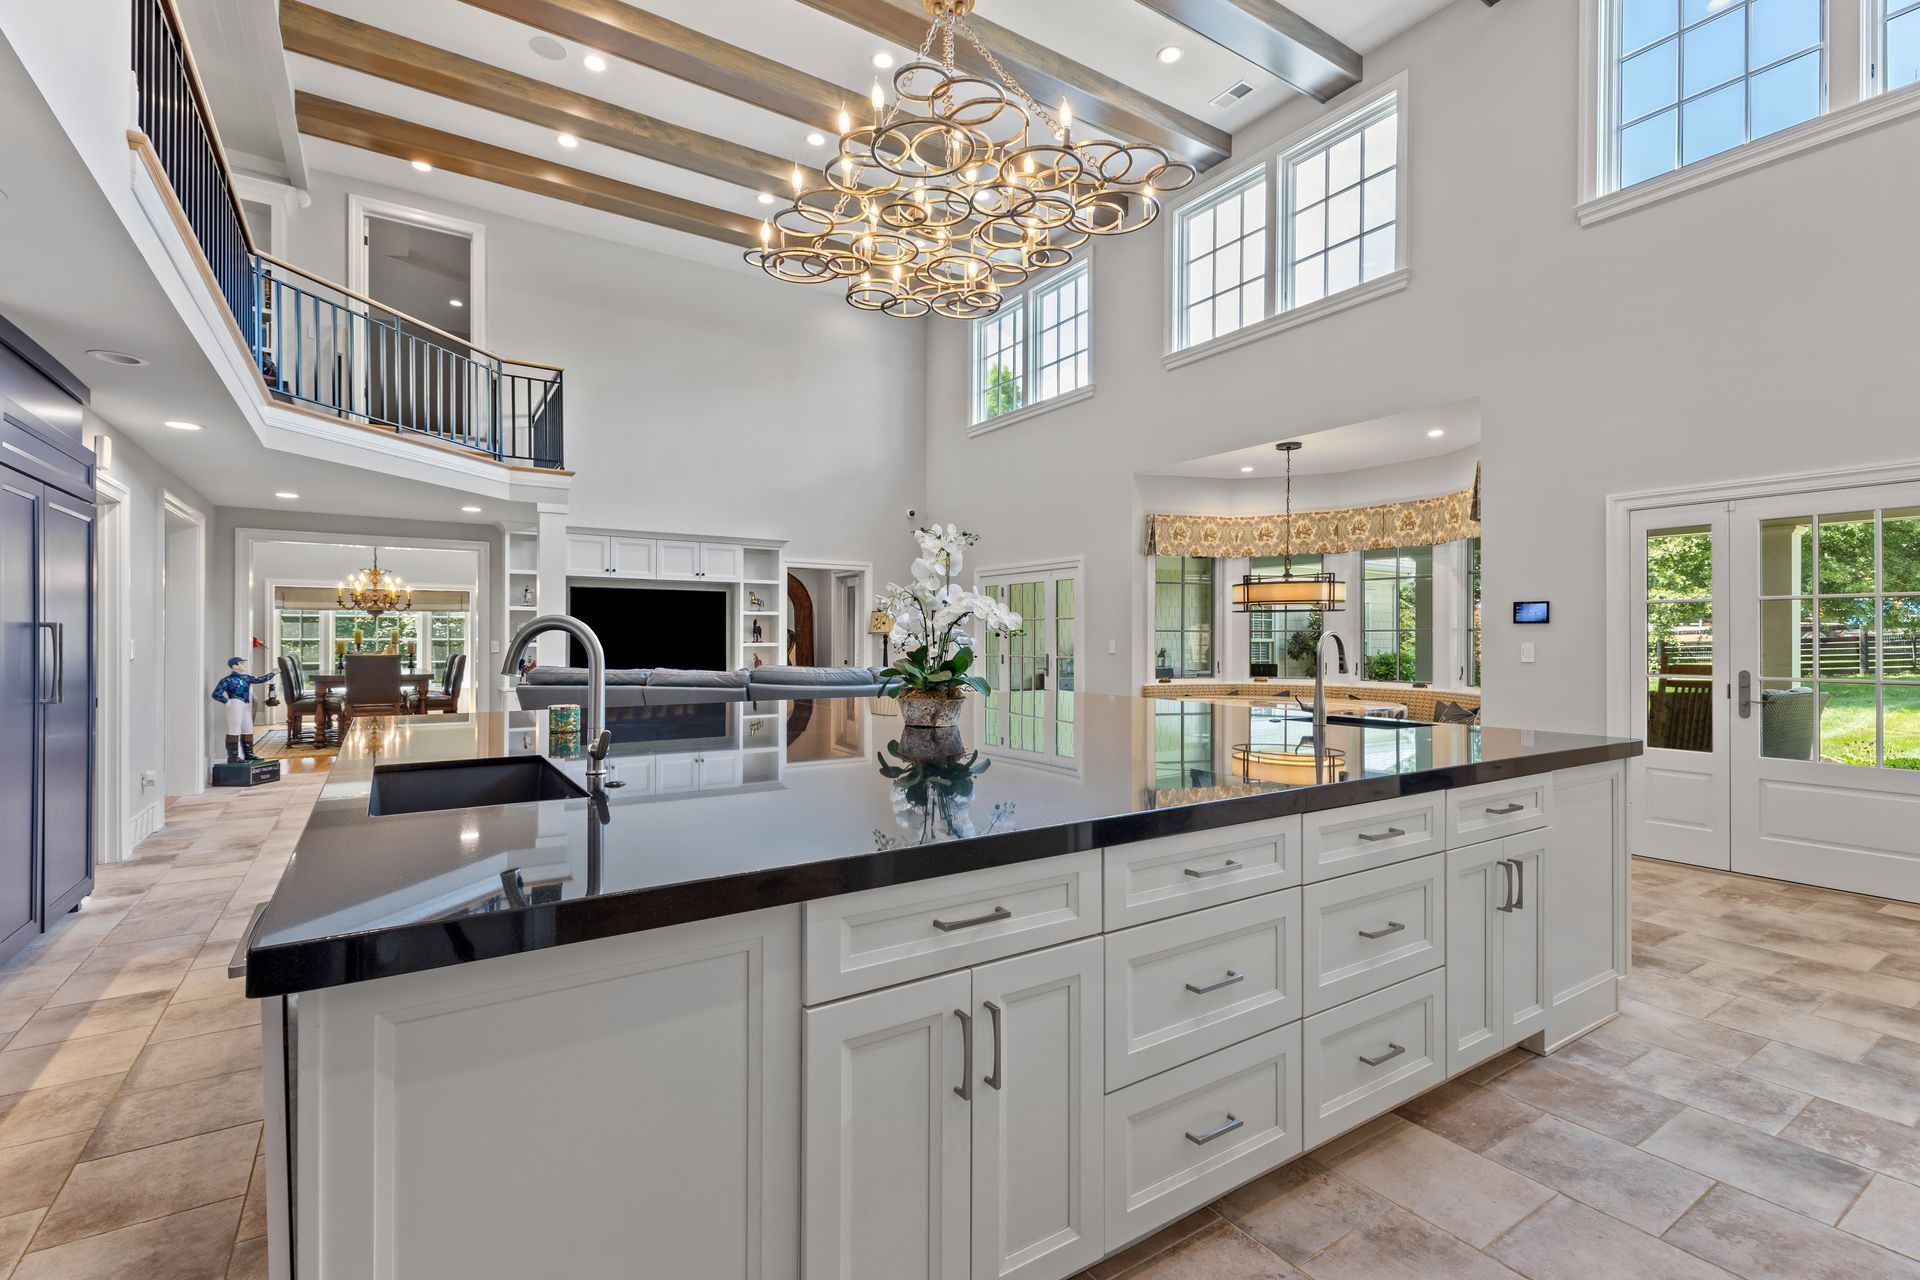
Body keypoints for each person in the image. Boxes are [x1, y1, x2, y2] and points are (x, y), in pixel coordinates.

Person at [211, 656, 274, 764]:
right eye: (241, 663)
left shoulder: (246, 678)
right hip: (235, 703)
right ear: (234, 666)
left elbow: (260, 679)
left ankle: (249, 754)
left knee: (248, 728)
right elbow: (216, 694)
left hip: (245, 704)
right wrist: (227, 702)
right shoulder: (227, 680)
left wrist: (273, 673)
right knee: (234, 729)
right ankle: (233, 756)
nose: (244, 665)